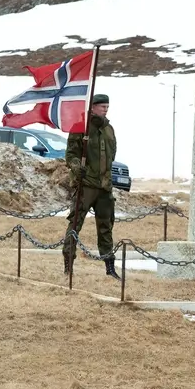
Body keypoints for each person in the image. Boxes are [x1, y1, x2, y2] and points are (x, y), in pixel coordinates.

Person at [63, 93, 118, 278]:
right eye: (102, 106)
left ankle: (110, 268)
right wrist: (78, 168)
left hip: (104, 186)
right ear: (92, 107)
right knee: (75, 224)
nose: (105, 109)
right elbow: (70, 155)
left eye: (107, 107)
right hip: (86, 185)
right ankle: (68, 265)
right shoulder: (80, 128)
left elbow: (112, 155)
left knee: (106, 227)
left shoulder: (109, 129)